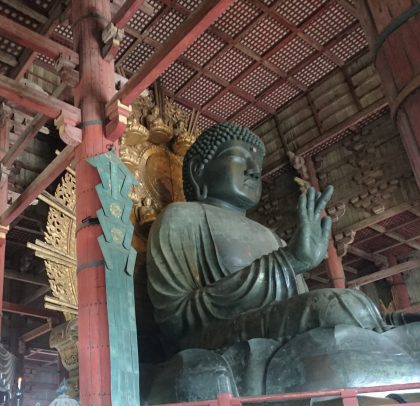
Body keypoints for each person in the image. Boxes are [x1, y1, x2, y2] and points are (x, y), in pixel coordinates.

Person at [147, 122, 385, 353]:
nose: (254, 171)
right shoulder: (181, 217)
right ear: (198, 170)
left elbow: (298, 306)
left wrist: (289, 261)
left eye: (258, 166)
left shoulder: (274, 238)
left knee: (374, 312)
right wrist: (288, 261)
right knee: (339, 309)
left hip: (274, 329)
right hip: (212, 339)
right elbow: (176, 321)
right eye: (240, 158)